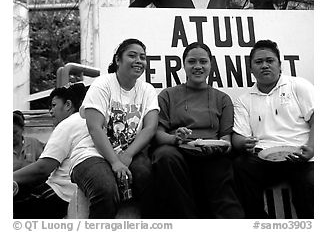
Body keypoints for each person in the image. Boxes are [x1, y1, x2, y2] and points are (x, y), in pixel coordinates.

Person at [151, 42, 244, 218]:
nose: (198, 67)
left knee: (222, 169)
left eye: (203, 61)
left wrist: (219, 147)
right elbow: (157, 134)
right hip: (178, 151)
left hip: (212, 154)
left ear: (211, 64)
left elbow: (227, 140)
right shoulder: (167, 95)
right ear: (183, 64)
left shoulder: (222, 99)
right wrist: (176, 138)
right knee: (164, 156)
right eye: (192, 61)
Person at [69, 38, 159, 219]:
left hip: (129, 153)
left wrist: (127, 155)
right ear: (118, 60)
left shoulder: (147, 90)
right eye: (132, 56)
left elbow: (150, 128)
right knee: (105, 190)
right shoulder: (102, 84)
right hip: (92, 153)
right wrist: (115, 162)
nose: (139, 61)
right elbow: (94, 127)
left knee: (152, 182)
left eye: (142, 57)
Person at [232, 39, 314, 218]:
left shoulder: (298, 85)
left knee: (310, 186)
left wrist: (312, 148)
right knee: (240, 166)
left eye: (270, 61)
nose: (265, 66)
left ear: (279, 65)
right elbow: (238, 137)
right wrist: (243, 143)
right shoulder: (243, 100)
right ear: (251, 68)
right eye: (258, 62)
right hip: (265, 158)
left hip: (300, 156)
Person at [13, 83, 87, 219]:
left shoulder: (67, 124)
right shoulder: (88, 122)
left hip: (61, 193)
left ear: (68, 105)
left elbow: (43, 168)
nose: (51, 111)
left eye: (54, 105)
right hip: (77, 191)